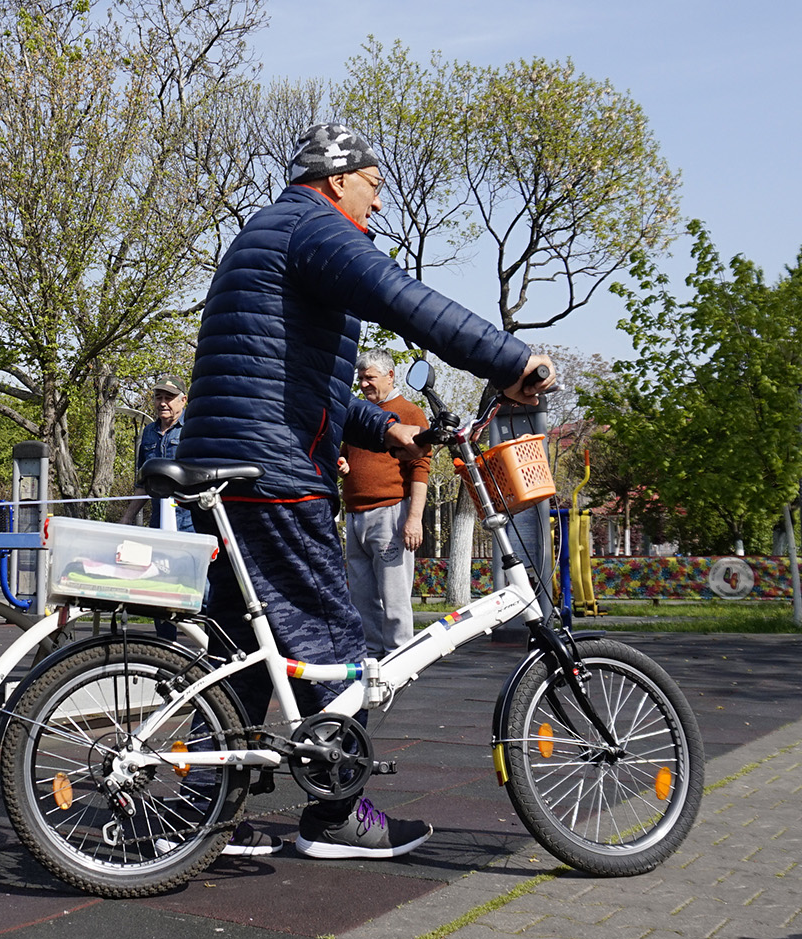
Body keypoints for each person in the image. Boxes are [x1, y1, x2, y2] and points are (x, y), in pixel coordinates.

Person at [177, 123, 555, 859]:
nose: (378, 205)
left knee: (242, 653)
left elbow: (301, 378)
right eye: (374, 187)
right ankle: (336, 815)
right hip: (272, 473)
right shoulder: (314, 227)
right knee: (330, 645)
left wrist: (389, 432)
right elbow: (400, 296)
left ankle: (201, 812)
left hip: (234, 460)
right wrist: (509, 358)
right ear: (336, 178)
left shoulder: (277, 231)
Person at [337, 350, 431, 657]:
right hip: (355, 515)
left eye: (370, 378)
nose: (363, 384)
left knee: (394, 595)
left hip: (390, 514)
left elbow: (420, 468)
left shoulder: (410, 413)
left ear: (390, 376)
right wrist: (340, 462)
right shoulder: (357, 416)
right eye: (360, 378)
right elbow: (345, 454)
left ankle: (400, 655)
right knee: (361, 597)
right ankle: (373, 656)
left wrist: (413, 518)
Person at [120, 376, 195, 534]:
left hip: (191, 523)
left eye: (168, 398)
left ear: (183, 400)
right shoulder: (149, 432)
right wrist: (127, 518)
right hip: (158, 523)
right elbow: (143, 483)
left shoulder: (194, 428)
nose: (162, 403)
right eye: (158, 397)